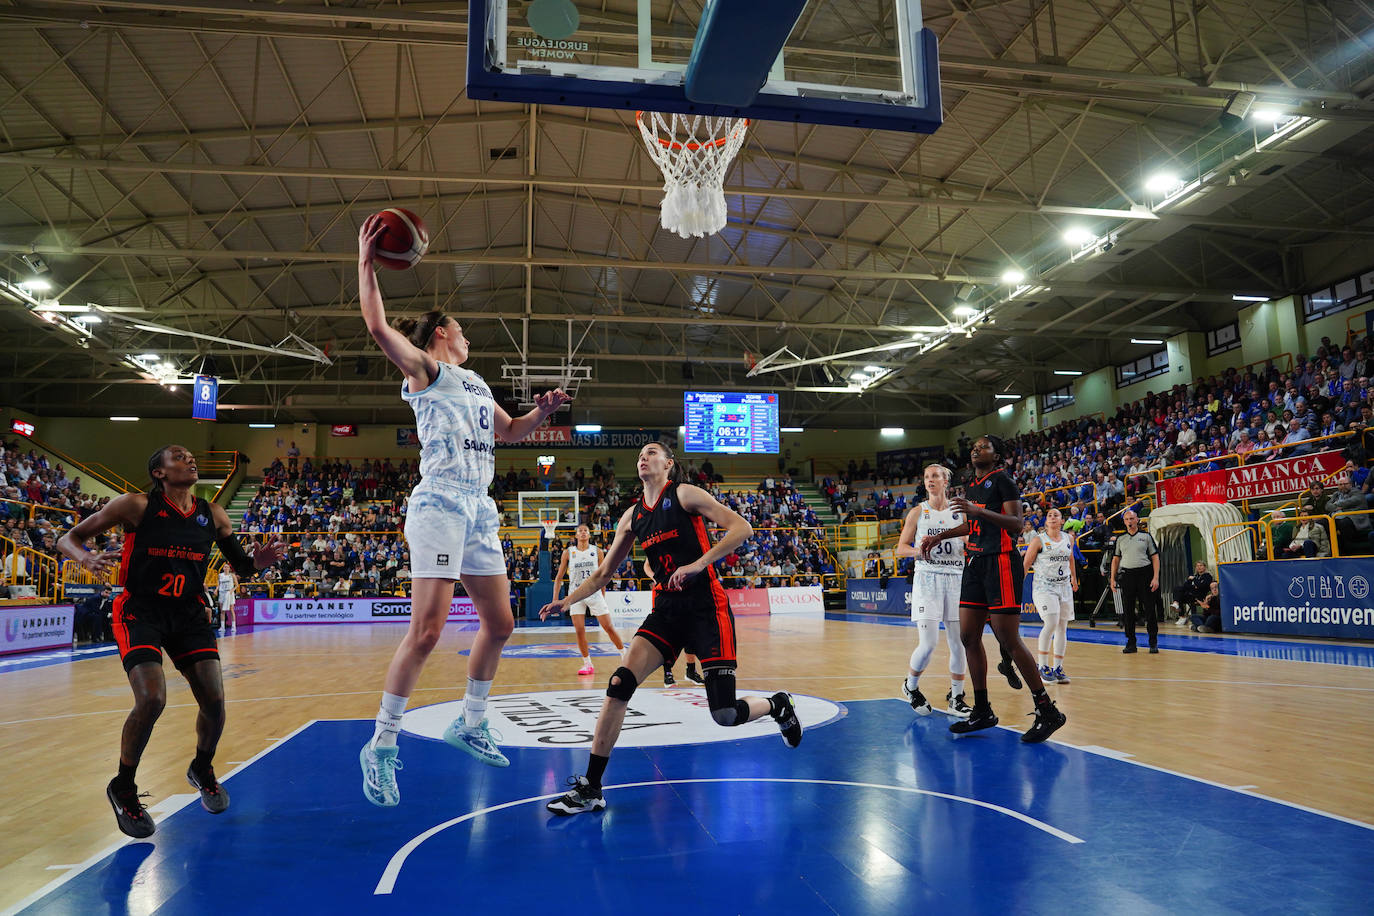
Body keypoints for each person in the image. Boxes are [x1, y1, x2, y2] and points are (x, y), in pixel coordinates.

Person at [355, 215, 572, 807]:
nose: (468, 335)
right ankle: (381, 744)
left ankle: (471, 721)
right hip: (440, 504)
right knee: (426, 632)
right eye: (462, 329)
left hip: (479, 509)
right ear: (441, 333)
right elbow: (376, 324)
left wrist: (542, 413)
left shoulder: (475, 382)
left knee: (501, 624)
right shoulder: (425, 370)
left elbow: (514, 432)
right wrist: (366, 260)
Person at [541, 441, 802, 816]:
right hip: (666, 609)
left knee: (725, 713)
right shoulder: (632, 517)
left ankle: (778, 704)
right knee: (618, 685)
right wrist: (565, 601)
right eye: (640, 454)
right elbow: (602, 574)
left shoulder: (684, 494)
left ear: (668, 463)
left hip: (705, 607)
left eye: (651, 452)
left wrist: (697, 564)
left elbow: (741, 528)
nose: (643, 457)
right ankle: (591, 788)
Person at [55, 445, 285, 838]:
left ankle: (202, 767)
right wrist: (86, 558)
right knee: (151, 699)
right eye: (178, 457)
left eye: (191, 456)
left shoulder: (211, 513)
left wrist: (256, 564)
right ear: (159, 472)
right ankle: (123, 786)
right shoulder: (135, 505)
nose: (190, 459)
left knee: (214, 700)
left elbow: (242, 566)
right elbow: (68, 537)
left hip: (189, 614)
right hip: (140, 611)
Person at [919, 436, 1066, 743]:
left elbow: (1015, 524)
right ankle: (983, 709)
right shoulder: (972, 487)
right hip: (975, 563)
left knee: (1008, 639)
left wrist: (979, 511)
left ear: (997, 455)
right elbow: (972, 526)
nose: (976, 450)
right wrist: (940, 536)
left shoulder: (1004, 482)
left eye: (983, 446)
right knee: (968, 636)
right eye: (973, 447)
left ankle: (1046, 709)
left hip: (1000, 562)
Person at [895, 464, 971, 718]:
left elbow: (972, 543)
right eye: (927, 476)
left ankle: (957, 697)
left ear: (946, 481)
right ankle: (910, 685)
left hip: (956, 579)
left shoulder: (960, 512)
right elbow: (901, 548)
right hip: (928, 580)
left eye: (935, 476)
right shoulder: (918, 512)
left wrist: (967, 545)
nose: (930, 480)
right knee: (928, 644)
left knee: (959, 643)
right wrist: (919, 550)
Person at [552, 523, 626, 676]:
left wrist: (603, 596)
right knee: (579, 631)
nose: (583, 533)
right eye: (580, 531)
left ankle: (625, 656)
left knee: (608, 627)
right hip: (575, 596)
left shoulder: (597, 551)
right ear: (576, 535)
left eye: (586, 531)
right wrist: (555, 600)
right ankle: (587, 664)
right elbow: (559, 578)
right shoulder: (568, 552)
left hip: (594, 593)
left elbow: (604, 576)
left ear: (589, 535)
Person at [1024, 508, 1077, 684]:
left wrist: (1074, 579)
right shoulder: (1039, 540)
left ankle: (1058, 667)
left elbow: (1071, 559)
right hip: (1044, 586)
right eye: (1049, 515)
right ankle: (1043, 666)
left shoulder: (1069, 538)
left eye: (1056, 515)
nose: (1053, 517)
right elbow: (1026, 564)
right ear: (1046, 522)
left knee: (1062, 626)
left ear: (1062, 520)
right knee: (1051, 622)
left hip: (1064, 586)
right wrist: (1016, 588)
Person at [1110, 509, 1160, 653]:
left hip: (1144, 574)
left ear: (1137, 519)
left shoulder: (1146, 537)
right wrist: (1112, 579)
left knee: (1150, 609)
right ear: (1124, 521)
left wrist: (1155, 577)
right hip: (1127, 576)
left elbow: (1155, 557)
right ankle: (1131, 642)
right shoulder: (1120, 539)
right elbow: (1115, 559)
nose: (1129, 521)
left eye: (1132, 518)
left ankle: (1153, 642)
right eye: (1127, 519)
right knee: (1128, 611)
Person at [216, 564, 237, 635]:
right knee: (222, 611)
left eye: (227, 567)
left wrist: (232, 590)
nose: (226, 568)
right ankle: (222, 627)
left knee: (231, 610)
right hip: (222, 593)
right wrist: (216, 590)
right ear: (223, 568)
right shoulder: (220, 575)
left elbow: (237, 585)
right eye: (225, 567)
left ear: (229, 568)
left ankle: (233, 626)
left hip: (229, 593)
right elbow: (218, 584)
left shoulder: (232, 575)